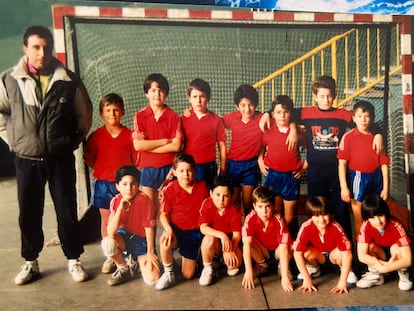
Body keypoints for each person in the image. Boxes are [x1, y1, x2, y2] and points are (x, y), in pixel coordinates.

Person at [0, 25, 92, 285]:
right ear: (25, 49)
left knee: (66, 210)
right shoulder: (8, 79)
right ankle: (30, 261)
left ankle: (74, 259)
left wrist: (70, 142)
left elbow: (84, 115)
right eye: (36, 47)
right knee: (29, 212)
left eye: (46, 47)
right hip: (26, 159)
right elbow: (1, 113)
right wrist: (15, 141)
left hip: (59, 159)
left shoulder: (68, 80)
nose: (42, 53)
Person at [259, 75, 383, 240]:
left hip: (336, 171)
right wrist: (267, 114)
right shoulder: (306, 113)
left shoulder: (342, 114)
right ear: (315, 97)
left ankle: (343, 244)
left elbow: (365, 123)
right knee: (316, 209)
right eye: (322, 96)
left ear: (335, 95)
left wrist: (378, 134)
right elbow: (284, 110)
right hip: (315, 171)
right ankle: (315, 244)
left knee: (340, 211)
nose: (326, 100)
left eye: (329, 96)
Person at [84, 93, 137, 274]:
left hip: (124, 188)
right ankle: (110, 255)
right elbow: (90, 159)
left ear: (122, 112)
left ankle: (129, 253)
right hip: (103, 184)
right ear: (101, 113)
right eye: (108, 110)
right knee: (107, 220)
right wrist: (104, 171)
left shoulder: (130, 135)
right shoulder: (96, 136)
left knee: (125, 220)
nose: (112, 114)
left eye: (115, 110)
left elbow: (135, 160)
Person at [155, 153, 210, 290]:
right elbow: (163, 214)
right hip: (177, 231)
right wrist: (168, 229)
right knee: (164, 241)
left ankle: (197, 258)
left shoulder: (202, 187)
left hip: (196, 232)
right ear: (174, 172)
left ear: (194, 171)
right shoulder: (169, 189)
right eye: (181, 170)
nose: (186, 174)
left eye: (189, 170)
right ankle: (168, 273)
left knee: (188, 275)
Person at [101, 165, 160, 286]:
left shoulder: (144, 200)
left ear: (138, 185)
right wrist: (120, 209)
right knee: (108, 242)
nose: (129, 188)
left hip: (140, 241)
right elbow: (111, 232)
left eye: (133, 184)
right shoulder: (116, 201)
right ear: (117, 186)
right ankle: (123, 268)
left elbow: (149, 227)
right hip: (124, 239)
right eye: (124, 184)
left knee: (152, 279)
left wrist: (150, 251)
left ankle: (136, 261)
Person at [338, 100, 390, 235]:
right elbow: (342, 164)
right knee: (359, 217)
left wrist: (385, 187)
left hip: (376, 177)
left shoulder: (377, 138)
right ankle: (361, 249)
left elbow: (384, 164)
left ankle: (377, 245)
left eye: (367, 116)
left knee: (377, 214)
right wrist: (344, 187)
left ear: (372, 119)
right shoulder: (348, 137)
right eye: (360, 116)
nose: (363, 120)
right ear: (353, 118)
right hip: (358, 178)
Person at [132, 73, 183, 213]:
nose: (157, 94)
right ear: (146, 94)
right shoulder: (139, 116)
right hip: (148, 168)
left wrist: (148, 146)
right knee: (150, 210)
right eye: (153, 90)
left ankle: (170, 234)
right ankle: (150, 236)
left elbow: (176, 146)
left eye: (161, 90)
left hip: (168, 168)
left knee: (167, 209)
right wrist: (164, 141)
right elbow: (138, 146)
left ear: (166, 93)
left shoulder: (174, 117)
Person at [258, 95, 306, 238]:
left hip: (291, 177)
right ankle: (276, 244)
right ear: (273, 114)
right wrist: (260, 160)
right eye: (278, 112)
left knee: (290, 218)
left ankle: (292, 246)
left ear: (291, 114)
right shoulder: (268, 131)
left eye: (285, 112)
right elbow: (261, 147)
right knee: (275, 214)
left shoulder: (298, 133)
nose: (282, 115)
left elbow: (311, 148)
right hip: (273, 175)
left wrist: (304, 167)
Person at [293, 196, 357, 294]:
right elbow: (297, 253)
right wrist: (306, 278)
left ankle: (346, 270)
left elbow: (347, 254)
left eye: (325, 214)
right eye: (317, 216)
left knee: (341, 252)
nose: (322, 219)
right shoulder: (306, 227)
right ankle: (314, 268)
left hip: (333, 256)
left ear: (330, 214)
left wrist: (342, 282)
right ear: (310, 216)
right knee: (305, 253)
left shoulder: (336, 227)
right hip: (319, 256)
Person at [356, 194, 412, 291]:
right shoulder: (366, 226)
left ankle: (403, 275)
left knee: (396, 247)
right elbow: (361, 256)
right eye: (372, 217)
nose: (378, 221)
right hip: (381, 256)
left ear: (386, 213)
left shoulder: (396, 225)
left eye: (380, 215)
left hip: (395, 256)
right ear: (367, 218)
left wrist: (386, 269)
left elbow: (408, 260)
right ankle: (376, 275)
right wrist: (379, 266)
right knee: (370, 247)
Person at [242, 186, 293, 291]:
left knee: (290, 245)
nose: (264, 211)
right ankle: (262, 264)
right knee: (246, 241)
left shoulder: (279, 220)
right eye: (260, 206)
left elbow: (283, 248)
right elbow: (247, 244)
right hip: (263, 251)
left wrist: (284, 277)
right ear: (254, 206)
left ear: (274, 206)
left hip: (277, 251)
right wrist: (249, 270)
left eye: (267, 206)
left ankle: (282, 266)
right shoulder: (250, 218)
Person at [223, 84, 263, 217]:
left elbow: (284, 119)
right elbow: (212, 120)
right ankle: (234, 234)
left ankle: (247, 234)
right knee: (232, 203)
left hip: (251, 166)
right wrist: (191, 110)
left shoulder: (262, 119)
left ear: (256, 105)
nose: (247, 109)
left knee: (248, 203)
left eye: (250, 104)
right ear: (237, 106)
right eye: (243, 105)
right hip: (232, 165)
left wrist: (292, 129)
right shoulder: (231, 118)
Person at [181, 78, 227, 188]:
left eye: (202, 96)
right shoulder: (183, 119)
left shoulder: (216, 120)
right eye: (195, 97)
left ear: (208, 98)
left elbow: (222, 147)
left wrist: (223, 170)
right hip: (189, 167)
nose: (198, 100)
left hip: (209, 167)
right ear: (189, 99)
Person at [198, 175, 243, 286]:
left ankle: (222, 261)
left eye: (225, 196)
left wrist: (229, 250)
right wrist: (222, 235)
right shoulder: (207, 203)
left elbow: (237, 234)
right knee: (209, 239)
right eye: (217, 195)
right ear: (211, 193)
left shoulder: (234, 209)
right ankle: (208, 267)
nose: (221, 199)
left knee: (234, 266)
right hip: (215, 242)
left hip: (229, 242)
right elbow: (203, 227)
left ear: (231, 196)